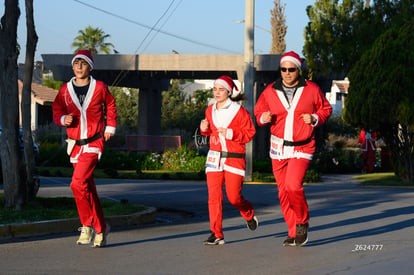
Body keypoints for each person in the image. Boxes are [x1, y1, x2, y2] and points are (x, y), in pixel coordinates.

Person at [254, 51, 332, 247]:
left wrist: (314, 118)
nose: (287, 73)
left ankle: (302, 223)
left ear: (298, 70)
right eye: (283, 69)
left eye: (291, 69)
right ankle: (293, 230)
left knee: (292, 186)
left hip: (302, 147)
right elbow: (258, 111)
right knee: (282, 192)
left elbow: (326, 109)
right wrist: (263, 118)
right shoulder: (270, 90)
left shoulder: (311, 89)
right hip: (278, 147)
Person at [52, 50, 117, 248]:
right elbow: (57, 109)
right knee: (88, 189)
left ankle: (86, 224)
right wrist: (64, 119)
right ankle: (101, 228)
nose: (79, 67)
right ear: (73, 67)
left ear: (90, 67)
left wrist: (110, 126)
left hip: (94, 143)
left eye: (83, 64)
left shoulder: (100, 87)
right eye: (76, 63)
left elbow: (111, 105)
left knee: (76, 183)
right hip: (75, 146)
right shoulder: (65, 90)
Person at [200, 75, 258, 245]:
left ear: (229, 92)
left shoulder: (239, 112)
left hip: (234, 159)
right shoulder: (209, 110)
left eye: (221, 89)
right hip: (214, 158)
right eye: (215, 89)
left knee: (234, 197)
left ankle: (248, 213)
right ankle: (216, 234)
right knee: (214, 197)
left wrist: (232, 134)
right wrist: (204, 129)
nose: (217, 92)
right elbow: (210, 132)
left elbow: (250, 133)